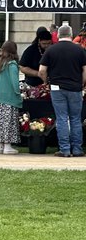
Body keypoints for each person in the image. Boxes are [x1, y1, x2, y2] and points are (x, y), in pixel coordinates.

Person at [39, 23, 86, 157]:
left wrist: (46, 81)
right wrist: (82, 84)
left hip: (57, 88)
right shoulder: (80, 50)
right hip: (75, 88)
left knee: (61, 118)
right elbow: (85, 71)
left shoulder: (51, 50)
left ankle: (64, 149)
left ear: (58, 35)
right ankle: (77, 149)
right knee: (76, 119)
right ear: (71, 35)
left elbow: (42, 70)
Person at [0, 41, 22, 154]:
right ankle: (8, 146)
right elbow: (14, 83)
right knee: (8, 122)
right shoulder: (12, 64)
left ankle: (0, 146)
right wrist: (19, 93)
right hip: (9, 98)